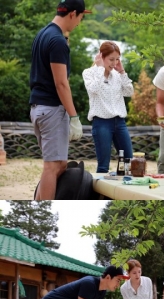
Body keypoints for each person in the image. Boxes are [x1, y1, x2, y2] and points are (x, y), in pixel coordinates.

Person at [29, 0, 90, 200]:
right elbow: (61, 84)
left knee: (59, 165)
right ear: (73, 14)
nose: (80, 22)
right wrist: (74, 116)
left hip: (40, 107)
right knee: (53, 166)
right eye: (81, 17)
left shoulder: (44, 34)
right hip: (51, 109)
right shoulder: (56, 40)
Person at [82, 41, 133, 173]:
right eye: (111, 59)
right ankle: (101, 194)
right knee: (103, 165)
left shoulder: (117, 74)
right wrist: (100, 69)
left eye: (117, 59)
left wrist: (122, 71)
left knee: (129, 162)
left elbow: (129, 92)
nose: (114, 63)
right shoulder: (89, 73)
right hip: (102, 123)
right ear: (101, 57)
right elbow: (94, 89)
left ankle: (124, 191)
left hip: (120, 122)